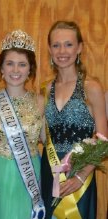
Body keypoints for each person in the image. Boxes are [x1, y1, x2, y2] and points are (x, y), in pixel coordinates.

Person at [41, 21, 108, 219]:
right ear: (49, 49)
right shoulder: (45, 90)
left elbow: (104, 141)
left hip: (80, 175)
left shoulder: (91, 88)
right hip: (50, 172)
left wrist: (81, 175)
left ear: (79, 47)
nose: (62, 51)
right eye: (56, 45)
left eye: (68, 44)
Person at [0, 30, 46, 219]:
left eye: (22, 64)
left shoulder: (41, 102)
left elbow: (46, 140)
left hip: (28, 174)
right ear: (1, 68)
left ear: (30, 70)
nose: (15, 70)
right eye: (9, 64)